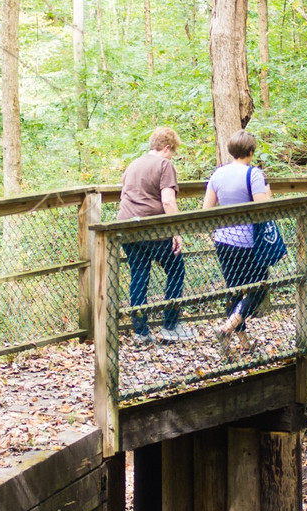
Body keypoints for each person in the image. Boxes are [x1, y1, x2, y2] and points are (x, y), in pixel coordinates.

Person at [117, 127, 193, 343]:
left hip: (128, 229)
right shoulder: (164, 164)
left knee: (139, 275)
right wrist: (176, 231)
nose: (172, 156)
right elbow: (168, 200)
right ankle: (170, 326)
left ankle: (141, 332)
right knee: (176, 269)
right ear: (167, 148)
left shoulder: (133, 164)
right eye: (173, 151)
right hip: (153, 230)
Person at [203, 129, 272, 355]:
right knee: (258, 288)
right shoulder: (253, 174)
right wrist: (268, 192)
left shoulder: (218, 174)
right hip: (248, 243)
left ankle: (242, 342)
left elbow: (207, 209)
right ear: (251, 152)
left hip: (223, 240)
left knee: (234, 290)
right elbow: (263, 208)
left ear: (232, 151)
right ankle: (226, 329)